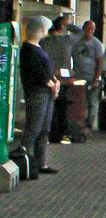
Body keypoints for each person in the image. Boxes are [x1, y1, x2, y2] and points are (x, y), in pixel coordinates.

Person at [17, 16, 58, 178]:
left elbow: (47, 69)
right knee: (34, 127)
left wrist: (54, 81)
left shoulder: (38, 47)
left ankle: (40, 163)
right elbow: (37, 71)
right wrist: (51, 83)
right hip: (37, 92)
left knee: (44, 128)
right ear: (40, 30)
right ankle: (23, 161)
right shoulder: (28, 49)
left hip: (46, 91)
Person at [42, 14, 75, 143]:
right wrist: (68, 24)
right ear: (61, 27)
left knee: (50, 108)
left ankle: (49, 134)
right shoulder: (67, 40)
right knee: (63, 109)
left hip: (49, 78)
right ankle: (63, 134)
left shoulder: (44, 42)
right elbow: (80, 33)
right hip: (64, 80)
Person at [70, 19, 104, 139]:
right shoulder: (77, 43)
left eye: (92, 29)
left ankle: (89, 126)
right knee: (79, 103)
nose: (89, 31)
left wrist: (96, 79)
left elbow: (100, 62)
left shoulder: (97, 44)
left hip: (91, 77)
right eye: (88, 29)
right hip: (79, 77)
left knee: (92, 103)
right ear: (83, 29)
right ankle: (79, 125)